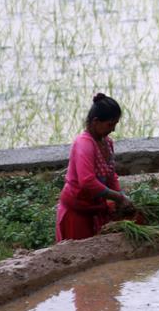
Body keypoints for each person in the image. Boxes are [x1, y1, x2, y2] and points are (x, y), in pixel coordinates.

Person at [55, 93, 133, 241]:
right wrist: (117, 197)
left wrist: (121, 196)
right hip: (78, 209)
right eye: (110, 124)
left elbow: (111, 176)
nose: (113, 129)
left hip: (95, 207)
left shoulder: (107, 143)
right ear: (96, 122)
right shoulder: (84, 144)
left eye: (115, 124)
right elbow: (87, 181)